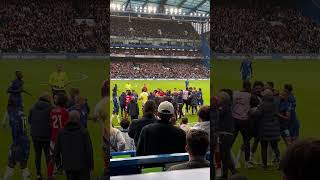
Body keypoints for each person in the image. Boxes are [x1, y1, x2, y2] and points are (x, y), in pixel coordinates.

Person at [54, 111, 93, 180]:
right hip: (83, 167)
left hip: (68, 167)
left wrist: (59, 165)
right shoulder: (84, 132)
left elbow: (56, 151)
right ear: (79, 118)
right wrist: (91, 166)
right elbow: (89, 151)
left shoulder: (61, 132)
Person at [251, 89, 280, 169]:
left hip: (264, 129)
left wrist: (252, 112)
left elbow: (258, 114)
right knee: (275, 147)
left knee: (264, 147)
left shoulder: (262, 104)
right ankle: (280, 162)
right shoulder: (275, 103)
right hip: (274, 128)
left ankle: (264, 165)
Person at [3, 99, 30, 180]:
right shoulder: (22, 114)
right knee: (24, 165)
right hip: (26, 142)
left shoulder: (14, 116)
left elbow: (16, 130)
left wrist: (15, 145)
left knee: (10, 164)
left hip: (18, 143)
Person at [28, 92, 53, 180]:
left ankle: (38, 174)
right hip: (46, 135)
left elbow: (29, 121)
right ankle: (49, 175)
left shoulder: (32, 108)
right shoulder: (50, 108)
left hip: (35, 135)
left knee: (37, 155)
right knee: (48, 155)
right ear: (48, 99)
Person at [48, 94, 70, 179]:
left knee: (52, 158)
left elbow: (51, 124)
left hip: (53, 138)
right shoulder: (65, 112)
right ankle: (68, 174)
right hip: (63, 138)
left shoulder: (52, 111)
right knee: (66, 157)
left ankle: (50, 175)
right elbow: (67, 125)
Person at [216, 92, 237, 179]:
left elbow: (218, 116)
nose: (217, 99)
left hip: (225, 134)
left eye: (219, 98)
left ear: (223, 99)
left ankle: (233, 173)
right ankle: (227, 174)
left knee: (225, 155)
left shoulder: (223, 108)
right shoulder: (227, 107)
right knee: (225, 155)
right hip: (227, 134)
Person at [232, 81, 253, 168]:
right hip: (244, 121)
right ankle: (247, 162)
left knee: (231, 140)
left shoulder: (235, 93)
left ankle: (230, 160)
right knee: (246, 141)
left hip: (234, 119)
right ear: (248, 87)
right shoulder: (250, 96)